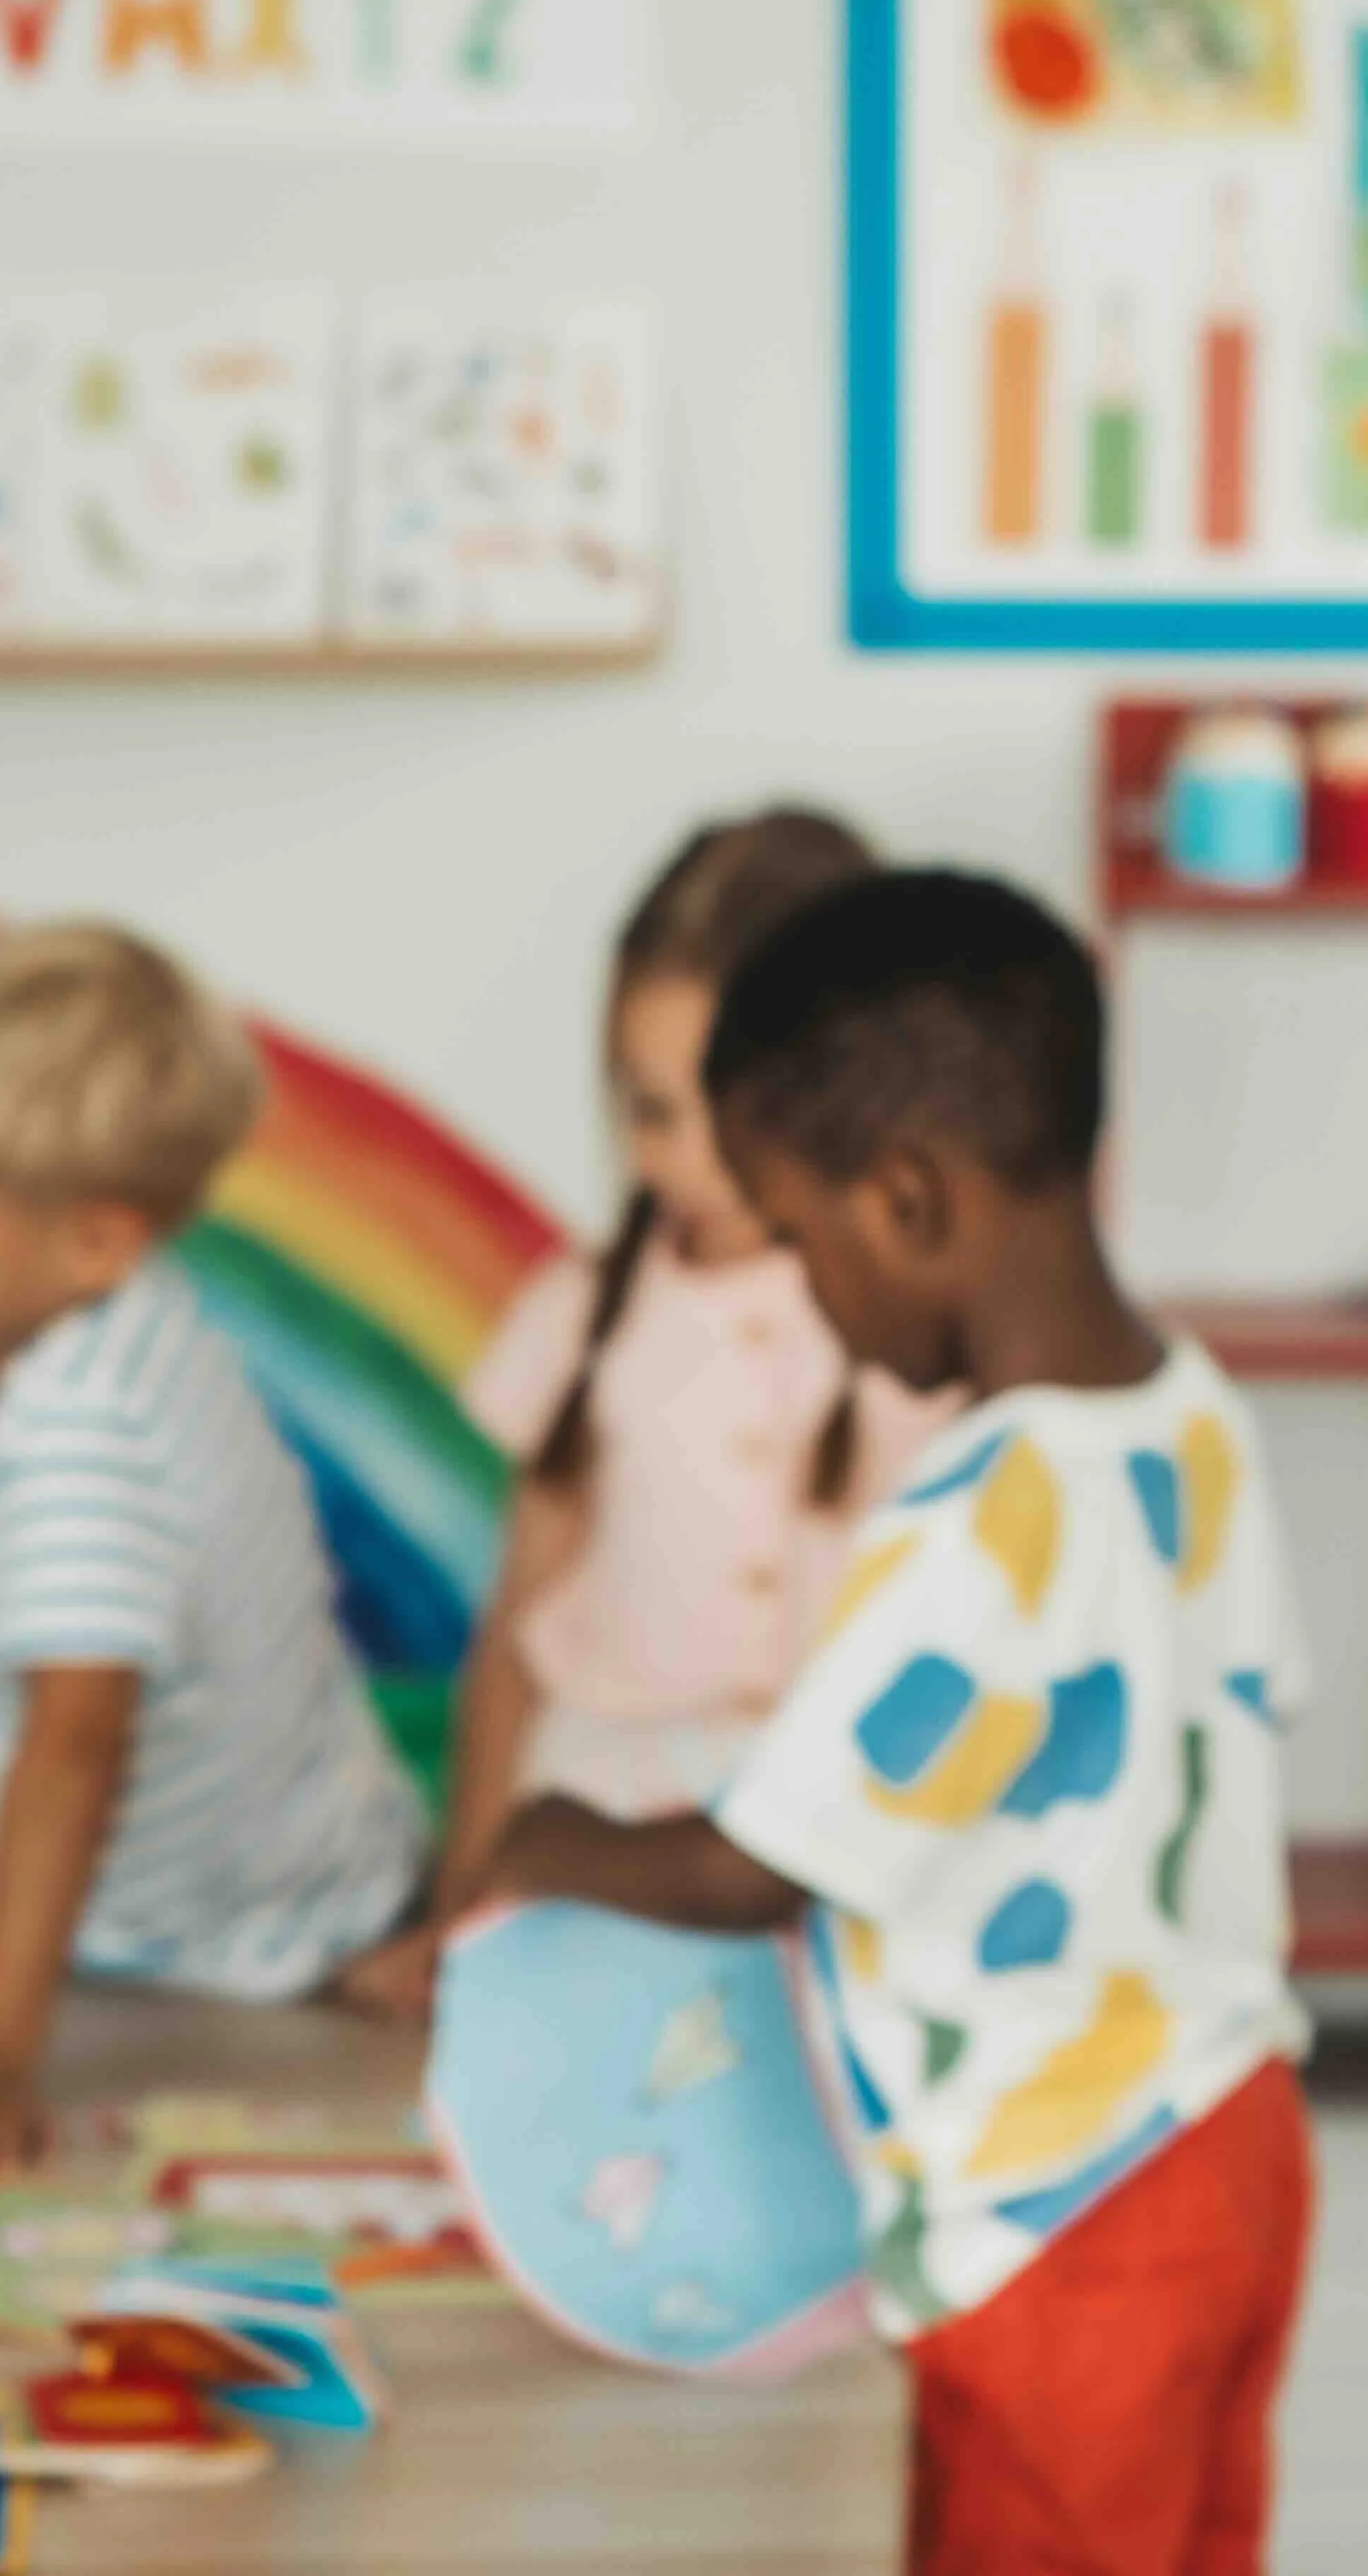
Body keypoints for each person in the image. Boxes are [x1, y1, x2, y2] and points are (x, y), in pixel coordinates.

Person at [461, 870, 1310, 2576]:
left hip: (1053, 2198)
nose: (805, 1289)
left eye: (797, 1233)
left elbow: (750, 1863)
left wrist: (530, 1840)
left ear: (908, 1198)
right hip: (1231, 2138)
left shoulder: (973, 1514)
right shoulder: (1186, 1407)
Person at [0, 921, 426, 2173]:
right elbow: (38, 1612)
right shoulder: (10, 1335)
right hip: (194, 1916)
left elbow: (73, 1740)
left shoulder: (92, 1424)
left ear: (93, 1241)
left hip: (268, 1956)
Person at [337, 805, 932, 2025]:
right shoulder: (579, 1316)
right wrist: (463, 1908)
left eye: (726, 1109)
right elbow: (511, 1640)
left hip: (835, 1839)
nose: (683, 1156)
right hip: (604, 1822)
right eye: (650, 1108)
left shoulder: (919, 1325)